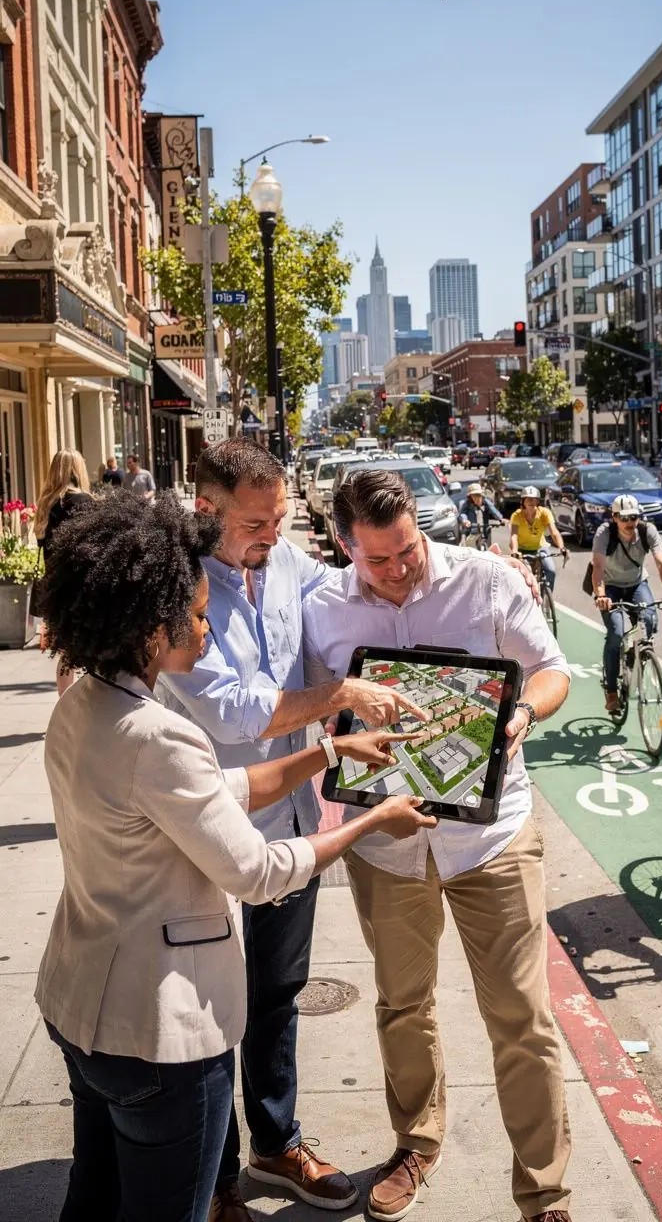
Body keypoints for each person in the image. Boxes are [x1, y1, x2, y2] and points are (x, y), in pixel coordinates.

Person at [35, 490, 433, 1222]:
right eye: (192, 614)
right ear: (147, 627)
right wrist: (372, 820)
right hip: (159, 1034)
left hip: (81, 1009)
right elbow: (255, 871)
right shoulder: (159, 735)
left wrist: (329, 751)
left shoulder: (84, 704)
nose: (206, 626)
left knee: (92, 1199)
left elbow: (213, 789)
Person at [158, 440, 430, 1220]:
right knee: (209, 1011)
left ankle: (274, 1145)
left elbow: (347, 585)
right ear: (207, 510)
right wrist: (338, 696)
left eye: (280, 518)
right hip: (208, 830)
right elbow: (238, 713)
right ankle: (210, 1181)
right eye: (257, 521)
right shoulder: (180, 590)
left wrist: (483, 564)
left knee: (277, 995)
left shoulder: (285, 565)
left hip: (288, 823)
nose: (273, 534)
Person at [302, 468, 573, 1222]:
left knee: (523, 1018)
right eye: (377, 560)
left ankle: (545, 1191)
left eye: (408, 551)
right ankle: (417, 1142)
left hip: (491, 836)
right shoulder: (320, 607)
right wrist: (335, 726)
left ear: (420, 525)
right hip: (388, 846)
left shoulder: (485, 580)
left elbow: (552, 670)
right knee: (402, 1004)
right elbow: (316, 704)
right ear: (343, 546)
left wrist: (521, 712)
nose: (397, 571)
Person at [591, 494, 662, 713]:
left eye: (634, 517)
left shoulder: (647, 531)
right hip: (609, 587)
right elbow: (598, 567)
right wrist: (601, 594)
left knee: (649, 616)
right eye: (624, 517)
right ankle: (611, 691)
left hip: (636, 583)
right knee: (616, 633)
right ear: (614, 517)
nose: (630, 522)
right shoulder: (605, 533)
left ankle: (637, 652)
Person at [33, 449, 95, 696]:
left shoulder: (47, 504)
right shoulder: (84, 501)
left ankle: (63, 706)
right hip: (82, 585)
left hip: (56, 588)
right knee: (91, 649)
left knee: (68, 654)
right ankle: (89, 708)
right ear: (77, 469)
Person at [509, 485, 568, 589]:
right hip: (522, 550)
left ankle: (547, 600)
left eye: (534, 499)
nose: (531, 502)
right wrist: (514, 550)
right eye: (528, 499)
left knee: (551, 570)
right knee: (525, 576)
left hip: (540, 548)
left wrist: (562, 548)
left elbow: (554, 532)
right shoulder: (517, 515)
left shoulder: (544, 512)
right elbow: (514, 535)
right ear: (523, 502)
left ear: (538, 501)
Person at [457, 480, 503, 547]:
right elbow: (463, 513)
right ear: (470, 497)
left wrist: (500, 519)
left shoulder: (486, 502)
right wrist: (465, 520)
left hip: (485, 529)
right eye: (474, 496)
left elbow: (493, 510)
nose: (477, 498)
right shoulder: (467, 504)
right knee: (470, 546)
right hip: (472, 530)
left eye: (478, 495)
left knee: (488, 547)